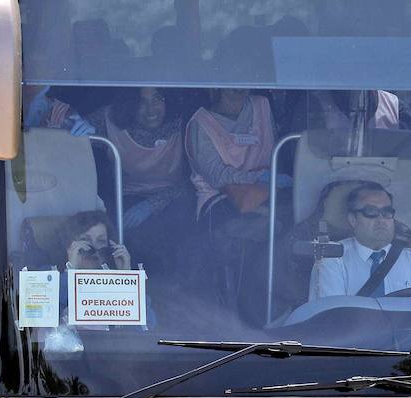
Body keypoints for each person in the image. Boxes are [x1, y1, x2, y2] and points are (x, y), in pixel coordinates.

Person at [86, 88, 194, 274]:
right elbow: (63, 133)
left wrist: (151, 205)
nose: (151, 110)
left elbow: (194, 178)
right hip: (127, 197)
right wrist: (74, 125)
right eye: (141, 102)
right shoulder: (110, 119)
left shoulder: (184, 123)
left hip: (175, 198)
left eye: (157, 99)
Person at [310, 182, 411, 299]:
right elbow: (330, 320)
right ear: (353, 219)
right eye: (371, 211)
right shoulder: (332, 261)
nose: (381, 220)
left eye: (387, 212)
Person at [185, 89, 290, 222]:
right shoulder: (200, 123)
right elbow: (216, 176)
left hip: (269, 191)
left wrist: (274, 181)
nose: (239, 86)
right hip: (220, 199)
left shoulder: (262, 105)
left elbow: (277, 154)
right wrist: (260, 177)